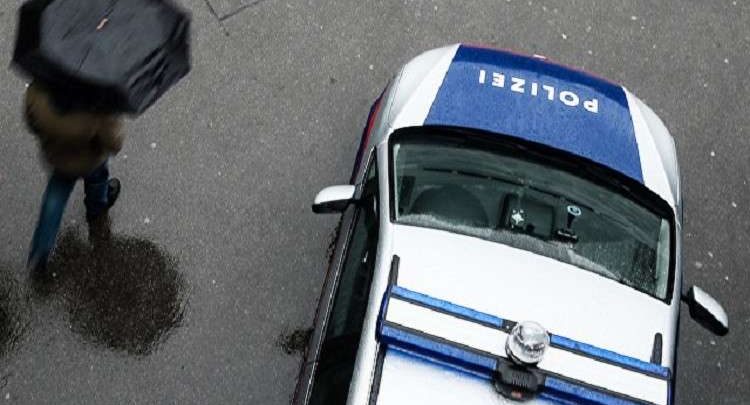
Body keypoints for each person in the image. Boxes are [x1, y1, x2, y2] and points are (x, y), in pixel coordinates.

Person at [24, 82, 123, 276]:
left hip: (58, 155)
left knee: (55, 197)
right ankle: (97, 208)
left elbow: (32, 120)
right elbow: (114, 142)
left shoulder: (41, 86)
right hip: (90, 158)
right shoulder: (98, 97)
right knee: (98, 178)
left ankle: (40, 252)